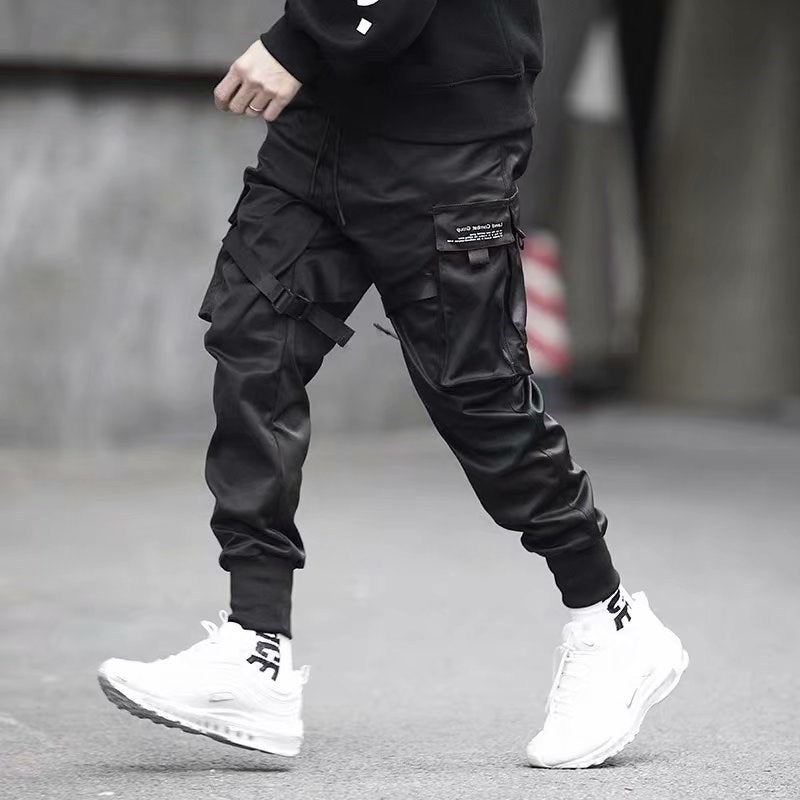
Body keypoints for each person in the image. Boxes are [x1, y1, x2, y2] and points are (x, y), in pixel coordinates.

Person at [97, 0, 687, 769]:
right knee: (254, 342)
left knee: (479, 396)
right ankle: (254, 647)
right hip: (323, 123)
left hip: (446, 133)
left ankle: (609, 623)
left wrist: (298, 37)